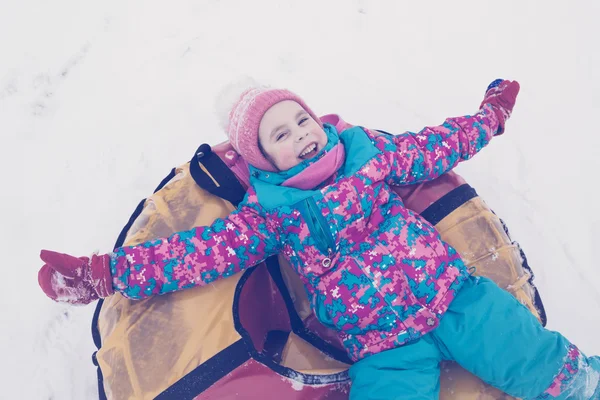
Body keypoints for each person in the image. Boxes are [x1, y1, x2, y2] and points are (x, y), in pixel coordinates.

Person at [38, 79, 600, 399]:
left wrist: (490, 116)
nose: (302, 136)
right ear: (262, 159)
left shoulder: (367, 153)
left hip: (456, 297)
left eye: (302, 120)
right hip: (383, 345)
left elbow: (437, 145)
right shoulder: (270, 214)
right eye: (281, 135)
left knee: (534, 357)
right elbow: (196, 255)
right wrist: (103, 274)